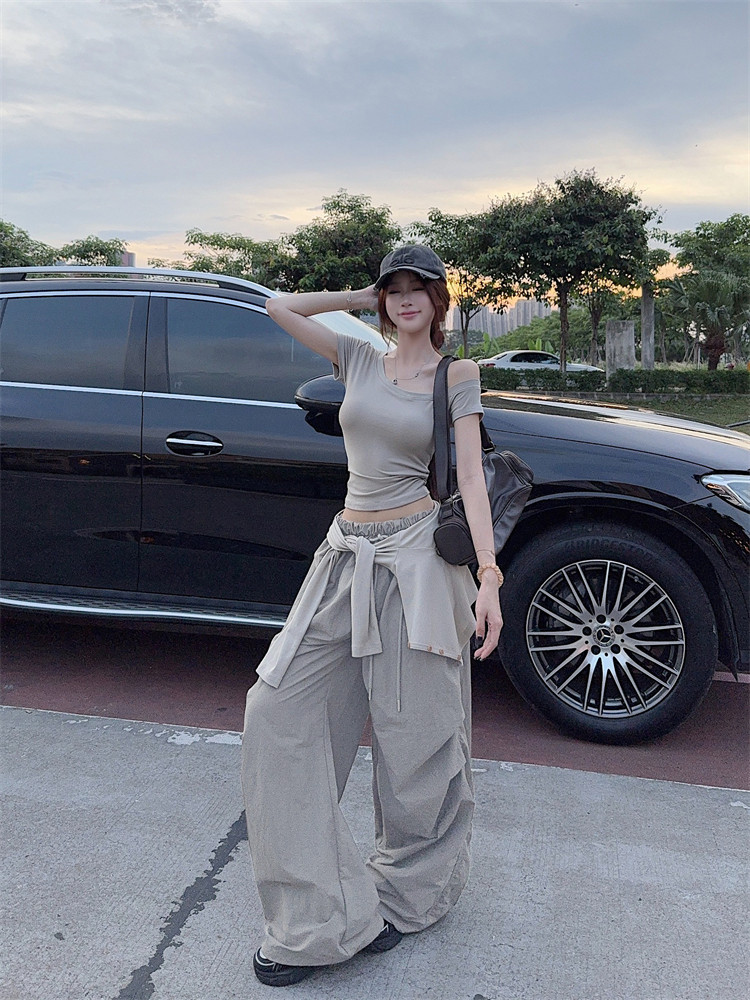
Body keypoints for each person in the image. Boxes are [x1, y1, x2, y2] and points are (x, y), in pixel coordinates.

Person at [241, 245, 503, 987]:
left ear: (440, 299)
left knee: (418, 735)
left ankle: (408, 894)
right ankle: (315, 917)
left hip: (417, 560)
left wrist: (489, 574)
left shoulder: (456, 376)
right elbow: (278, 306)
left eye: (420, 287)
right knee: (276, 712)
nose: (406, 297)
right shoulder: (357, 357)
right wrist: (361, 296)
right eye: (396, 288)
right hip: (344, 555)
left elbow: (473, 477)